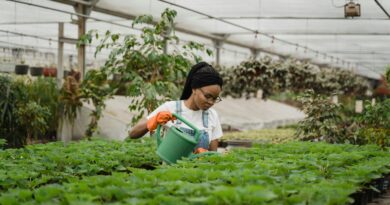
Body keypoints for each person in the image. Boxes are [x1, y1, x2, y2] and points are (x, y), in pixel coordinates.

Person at [129, 62, 223, 152]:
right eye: (207, 96)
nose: (211, 102)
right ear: (194, 88)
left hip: (199, 168)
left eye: (215, 99)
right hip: (173, 168)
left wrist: (204, 155)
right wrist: (155, 120)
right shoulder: (171, 108)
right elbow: (133, 133)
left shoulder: (212, 115)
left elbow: (212, 155)